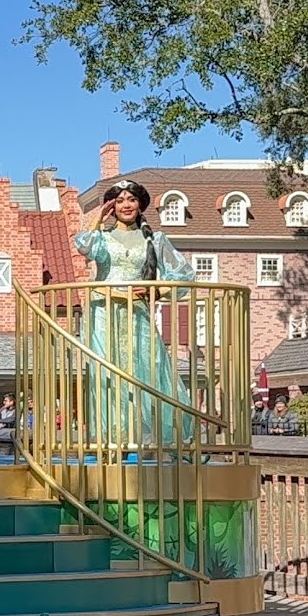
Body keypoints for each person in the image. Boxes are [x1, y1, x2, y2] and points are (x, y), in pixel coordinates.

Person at [73, 179, 197, 446]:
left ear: (140, 204)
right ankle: (114, 436)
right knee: (107, 369)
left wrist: (156, 291)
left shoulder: (155, 239)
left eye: (131, 199)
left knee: (145, 366)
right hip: (103, 310)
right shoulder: (102, 238)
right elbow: (83, 246)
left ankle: (145, 435)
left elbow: (184, 274)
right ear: (112, 206)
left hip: (136, 311)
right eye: (119, 201)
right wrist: (98, 217)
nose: (126, 205)